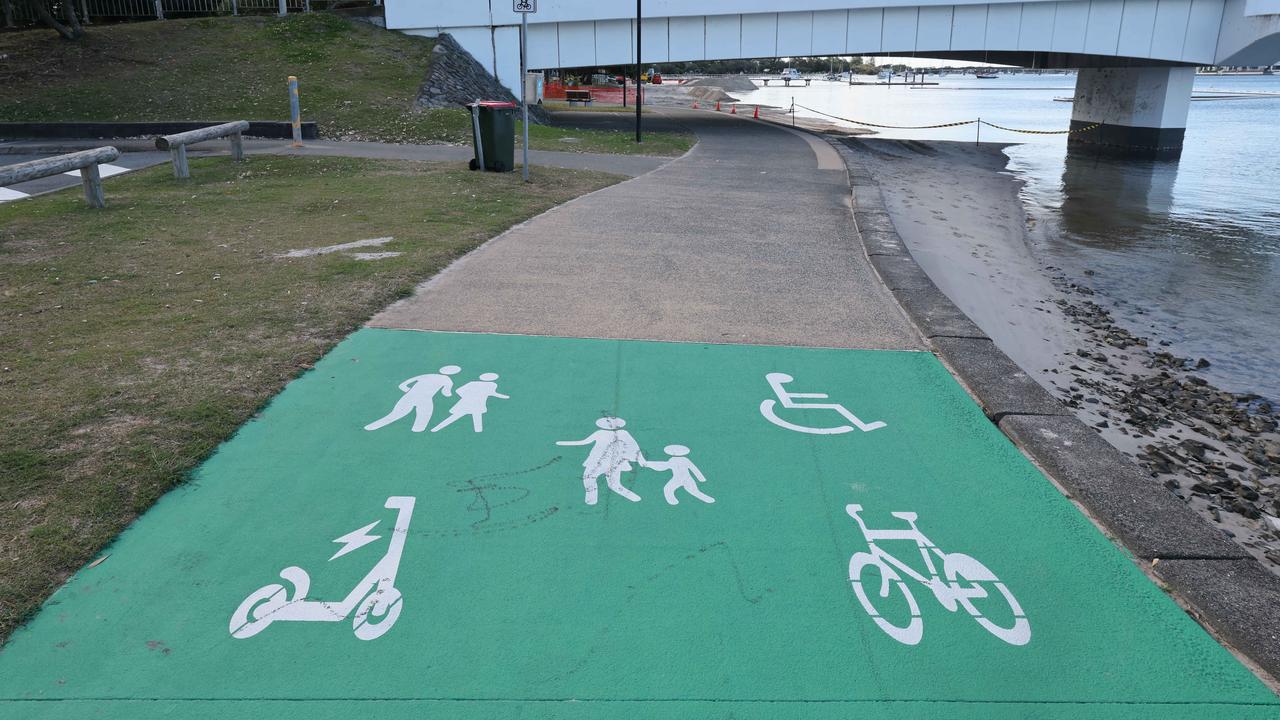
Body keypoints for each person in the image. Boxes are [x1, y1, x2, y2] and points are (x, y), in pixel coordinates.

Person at [556, 417, 645, 505]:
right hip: (614, 462)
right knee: (613, 484)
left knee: (589, 478)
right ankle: (632, 497)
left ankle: (591, 499)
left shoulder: (604, 433)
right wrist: (641, 460)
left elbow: (583, 442)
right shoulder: (621, 433)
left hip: (598, 461)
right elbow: (634, 446)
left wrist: (563, 443)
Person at [364, 365, 461, 433]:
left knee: (396, 414)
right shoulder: (447, 380)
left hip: (409, 396)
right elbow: (446, 393)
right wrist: (451, 395)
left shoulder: (426, 375)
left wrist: (410, 392)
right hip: (425, 398)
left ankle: (372, 426)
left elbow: (403, 385)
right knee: (423, 416)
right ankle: (418, 430)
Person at [430, 373, 509, 433]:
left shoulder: (491, 384)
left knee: (476, 417)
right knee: (457, 416)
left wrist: (467, 397)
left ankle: (478, 433)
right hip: (468, 403)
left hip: (474, 403)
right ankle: (437, 428)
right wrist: (469, 397)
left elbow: (459, 390)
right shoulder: (489, 384)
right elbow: (492, 393)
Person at [641, 445, 714, 505]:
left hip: (678, 479)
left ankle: (673, 501)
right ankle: (708, 499)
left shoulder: (673, 460)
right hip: (686, 478)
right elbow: (694, 469)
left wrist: (648, 464)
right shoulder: (684, 460)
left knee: (668, 489)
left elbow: (662, 466)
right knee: (694, 491)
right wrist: (701, 478)